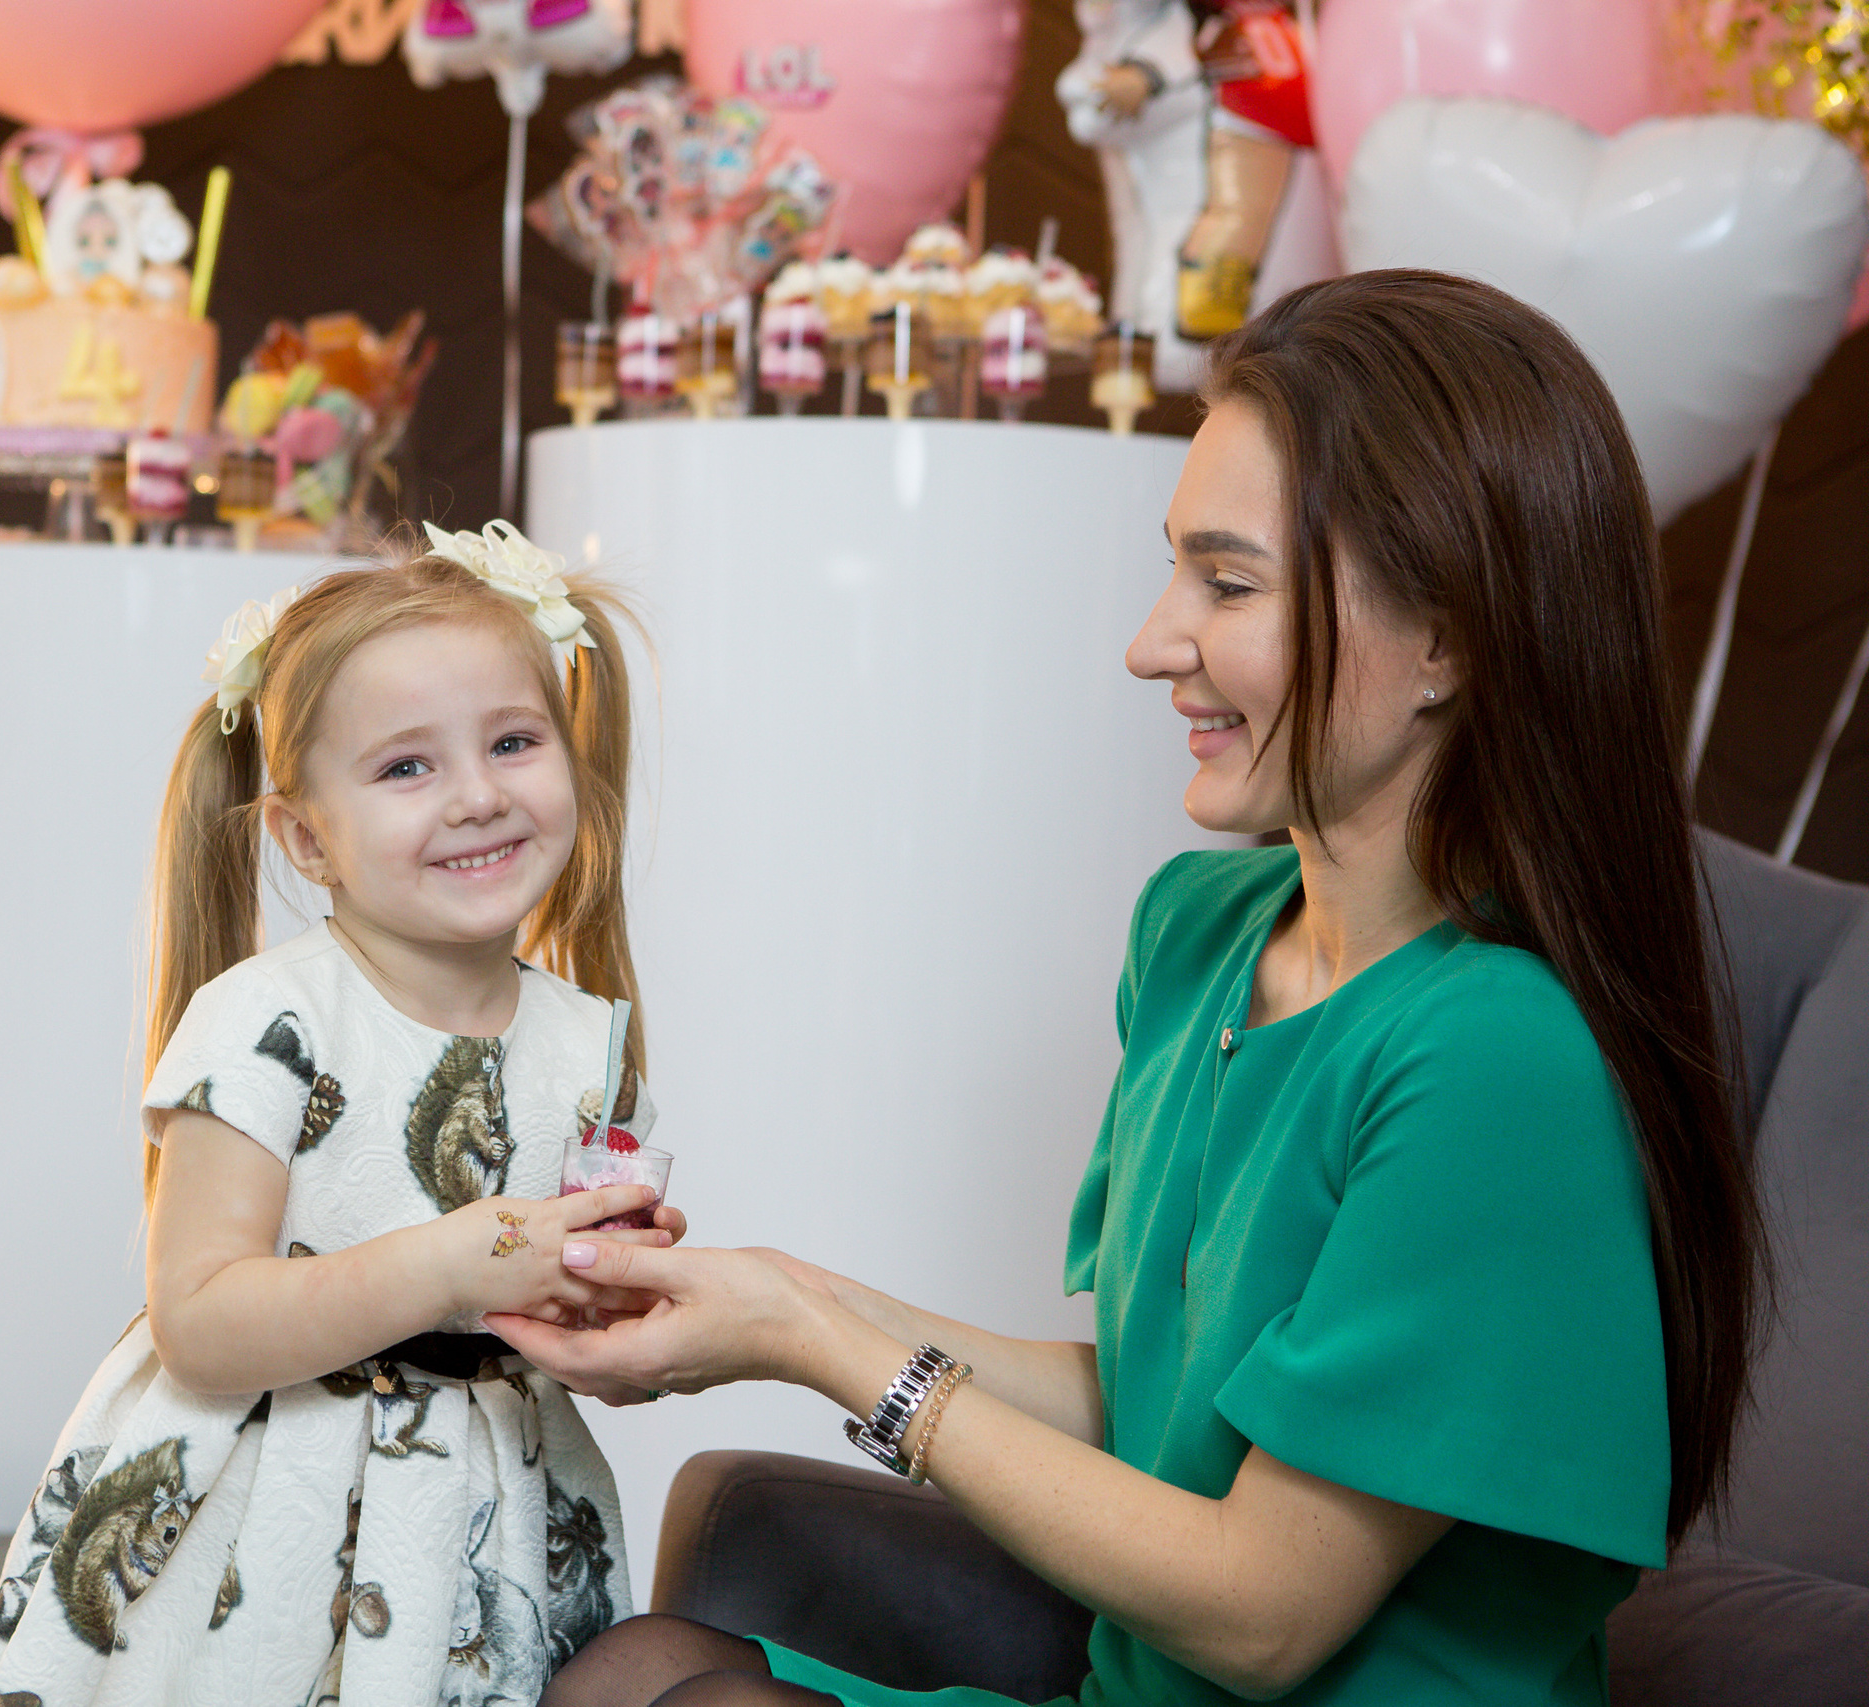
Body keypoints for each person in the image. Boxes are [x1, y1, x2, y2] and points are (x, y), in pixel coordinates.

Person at [502, 271, 1763, 1707]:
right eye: (1177, 571)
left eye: (1228, 584)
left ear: (1448, 640)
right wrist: (773, 1299)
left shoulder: (1496, 1057)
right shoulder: (1199, 934)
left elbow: (1263, 1614)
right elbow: (1155, 1402)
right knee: (630, 1671)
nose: (1153, 642)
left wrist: (820, 1345)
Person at [0, 522, 687, 1707]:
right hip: (263, 1532)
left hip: (481, 1525)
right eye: (406, 768)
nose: (479, 796)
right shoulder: (272, 1024)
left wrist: (614, 1317)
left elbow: (580, 1344)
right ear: (307, 837)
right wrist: (458, 1259)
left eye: (512, 742)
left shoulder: (585, 1048)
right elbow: (199, 1322)